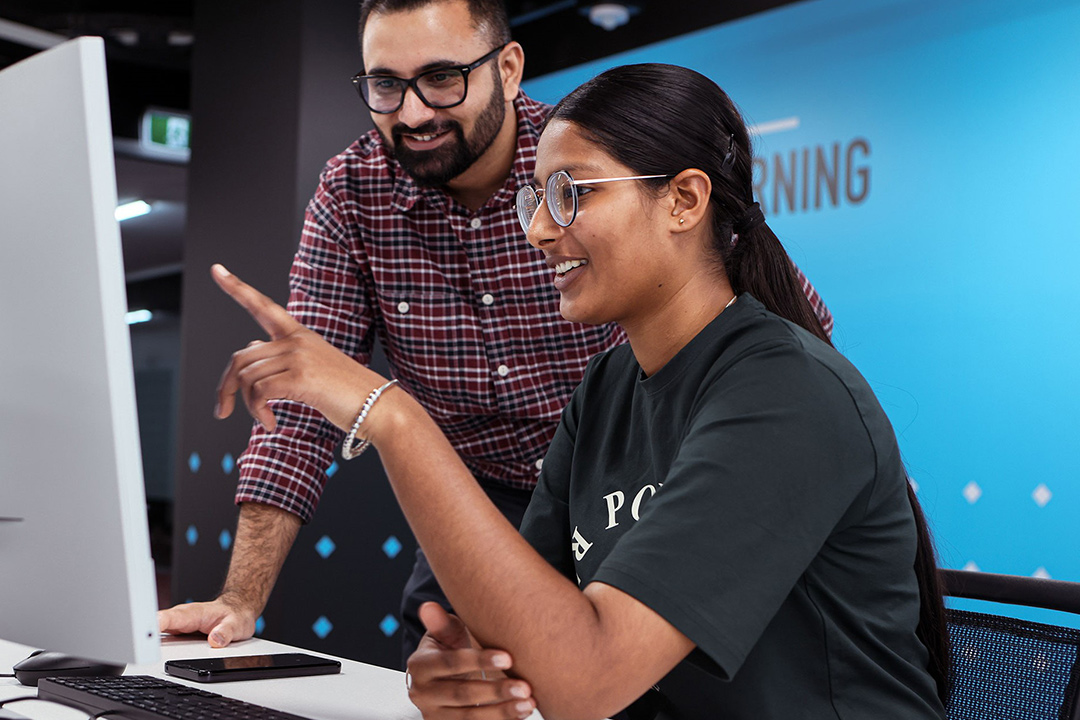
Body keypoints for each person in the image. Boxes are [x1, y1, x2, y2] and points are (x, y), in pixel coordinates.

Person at [205, 63, 948, 719]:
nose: (538, 231)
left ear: (685, 201)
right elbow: (518, 637)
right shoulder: (611, 384)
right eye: (536, 197)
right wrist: (454, 673)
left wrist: (391, 414)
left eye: (570, 193)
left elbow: (583, 681)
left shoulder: (787, 394)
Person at [158, 0, 833, 665]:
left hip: (642, 496)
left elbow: (783, 319)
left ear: (508, 69)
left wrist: (775, 462)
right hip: (482, 504)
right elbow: (303, 409)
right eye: (386, 85)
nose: (414, 112)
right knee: (449, 678)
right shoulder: (352, 193)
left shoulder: (595, 155)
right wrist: (237, 599)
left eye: (443, 77)